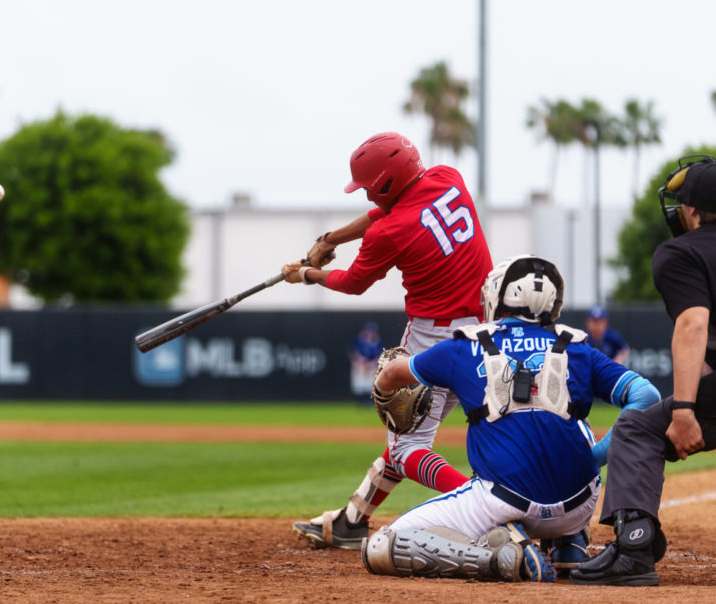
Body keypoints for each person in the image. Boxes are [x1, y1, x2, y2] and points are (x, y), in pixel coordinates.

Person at [361, 255, 660, 582]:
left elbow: (392, 373)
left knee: (380, 545)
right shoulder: (577, 348)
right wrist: (598, 456)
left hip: (501, 502)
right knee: (572, 421)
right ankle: (569, 544)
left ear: (496, 297)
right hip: (579, 503)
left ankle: (500, 557)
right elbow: (647, 398)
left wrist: (383, 387)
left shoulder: (465, 347)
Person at [571, 156, 716, 587]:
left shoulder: (680, 251)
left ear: (689, 211)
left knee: (638, 428)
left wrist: (686, 409)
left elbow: (693, 325)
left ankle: (634, 546)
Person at [282, 131, 494, 549]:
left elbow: (353, 283)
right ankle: (351, 521)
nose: (365, 197)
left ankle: (485, 507)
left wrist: (306, 275)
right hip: (487, 328)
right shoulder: (447, 177)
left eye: (367, 188)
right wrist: (332, 239)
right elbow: (394, 211)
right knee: (405, 433)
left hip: (434, 335)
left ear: (384, 183)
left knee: (406, 445)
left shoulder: (390, 231)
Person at [349, 322, 384, 403]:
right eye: (369, 331)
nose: (371, 333)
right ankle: (360, 400)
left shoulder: (378, 341)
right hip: (360, 364)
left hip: (372, 365)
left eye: (373, 331)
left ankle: (369, 400)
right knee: (359, 382)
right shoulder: (359, 340)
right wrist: (358, 361)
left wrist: (373, 362)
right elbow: (352, 351)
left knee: (371, 382)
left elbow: (381, 353)